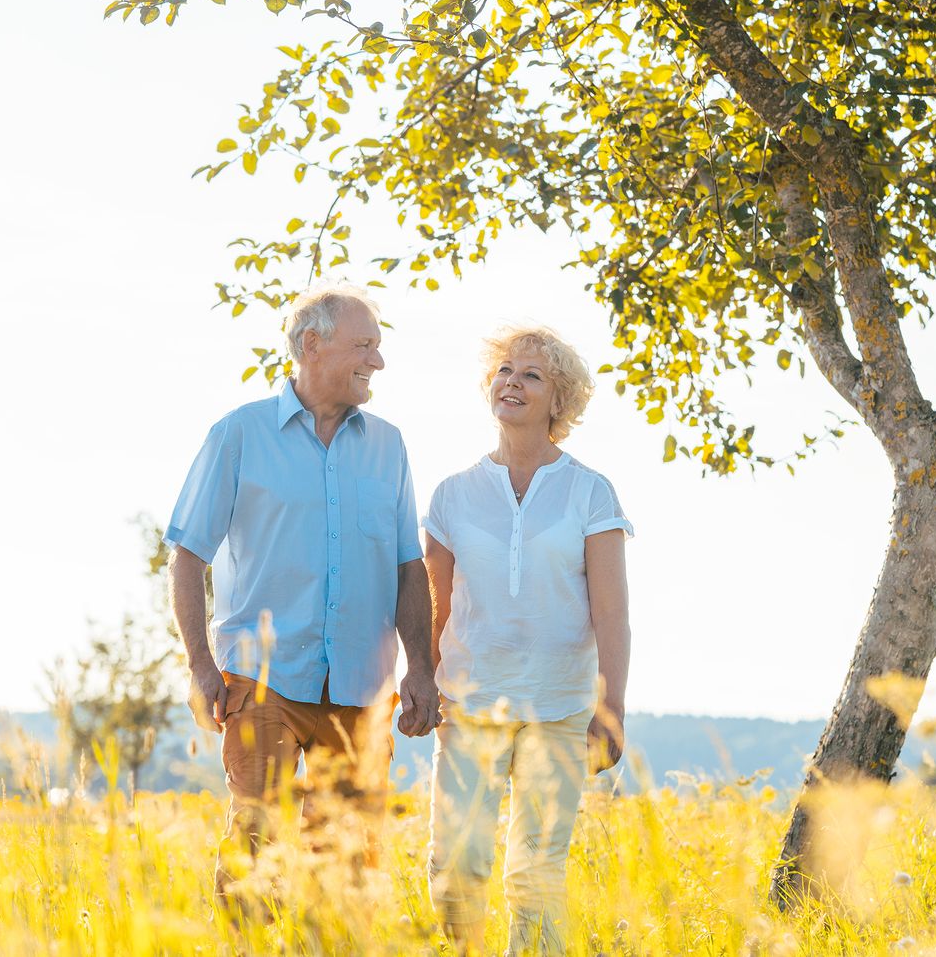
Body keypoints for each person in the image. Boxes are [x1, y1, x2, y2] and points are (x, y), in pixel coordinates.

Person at [162, 282, 440, 905]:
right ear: (311, 345)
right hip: (262, 679)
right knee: (258, 841)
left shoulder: (389, 445)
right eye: (364, 345)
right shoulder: (238, 434)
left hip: (362, 686)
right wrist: (202, 664)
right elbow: (186, 555)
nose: (378, 361)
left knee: (349, 860)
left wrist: (421, 666)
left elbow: (407, 567)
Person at [423, 325, 633, 956]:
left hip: (560, 707)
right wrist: (420, 682)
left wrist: (611, 708)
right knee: (456, 865)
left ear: (558, 401)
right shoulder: (453, 495)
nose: (511, 382)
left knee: (536, 874)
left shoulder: (589, 491)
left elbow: (612, 614)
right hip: (469, 702)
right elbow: (434, 607)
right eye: (505, 371)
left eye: (531, 375)